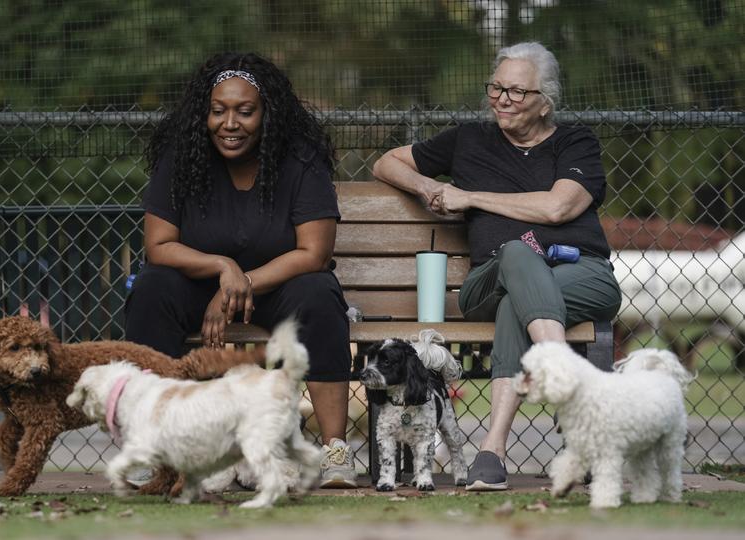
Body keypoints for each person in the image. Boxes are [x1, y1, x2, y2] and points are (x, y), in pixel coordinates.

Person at [373, 42, 621, 491]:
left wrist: (469, 197)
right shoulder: (469, 140)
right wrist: (426, 183)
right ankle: (568, 392)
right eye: (496, 88)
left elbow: (558, 208)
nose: (502, 99)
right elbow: (386, 162)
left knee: (518, 298)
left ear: (546, 101)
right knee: (515, 255)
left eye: (517, 92)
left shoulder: (574, 142)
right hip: (487, 282)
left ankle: (493, 449)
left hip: (583, 274)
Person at [125, 52, 357, 488]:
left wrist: (243, 282)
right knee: (152, 288)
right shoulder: (183, 159)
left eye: (245, 111)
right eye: (219, 111)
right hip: (198, 285)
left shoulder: (299, 161)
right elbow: (158, 247)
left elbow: (314, 253)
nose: (230, 123)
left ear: (267, 114)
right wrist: (222, 267)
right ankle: (155, 446)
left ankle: (334, 452)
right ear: (205, 114)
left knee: (319, 295)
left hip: (279, 286)